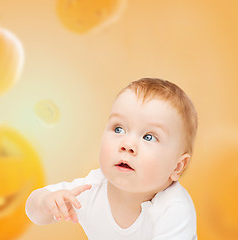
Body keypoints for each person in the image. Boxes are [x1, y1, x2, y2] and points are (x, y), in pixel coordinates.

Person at [25, 78, 198, 239]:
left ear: (177, 167)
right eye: (118, 129)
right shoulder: (91, 188)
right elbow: (34, 212)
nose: (127, 144)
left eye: (149, 137)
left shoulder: (174, 209)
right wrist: (45, 203)